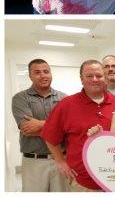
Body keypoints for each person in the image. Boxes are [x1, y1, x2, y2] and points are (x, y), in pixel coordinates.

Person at [41, 60, 115, 192]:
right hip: (82, 183)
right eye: (89, 76)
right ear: (81, 79)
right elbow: (49, 136)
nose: (95, 79)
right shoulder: (67, 105)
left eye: (99, 75)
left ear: (105, 77)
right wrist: (60, 161)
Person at [11, 59, 68, 192]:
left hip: (61, 160)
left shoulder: (64, 98)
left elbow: (69, 129)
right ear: (30, 76)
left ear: (51, 74)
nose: (43, 75)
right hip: (33, 162)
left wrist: (40, 124)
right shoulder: (20, 98)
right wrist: (57, 128)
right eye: (37, 72)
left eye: (46, 71)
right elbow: (27, 129)